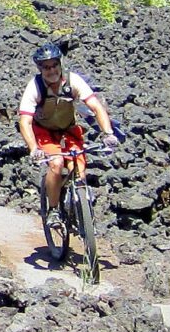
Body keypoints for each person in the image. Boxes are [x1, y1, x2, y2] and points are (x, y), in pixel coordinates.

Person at [17, 41, 117, 240]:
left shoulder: (73, 81)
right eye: (46, 67)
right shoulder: (35, 86)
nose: (51, 70)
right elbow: (25, 121)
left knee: (79, 169)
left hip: (68, 130)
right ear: (40, 69)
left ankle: (83, 212)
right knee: (56, 163)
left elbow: (96, 107)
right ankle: (53, 209)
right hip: (44, 132)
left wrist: (108, 133)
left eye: (54, 65)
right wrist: (34, 148)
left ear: (60, 64)